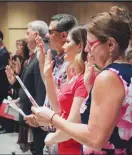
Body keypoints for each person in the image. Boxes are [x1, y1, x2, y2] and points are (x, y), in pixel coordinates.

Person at [26, 6, 132, 155]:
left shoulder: (108, 77)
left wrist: (52, 119)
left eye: (90, 44)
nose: (87, 50)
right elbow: (112, 121)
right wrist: (90, 88)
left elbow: (96, 138)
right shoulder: (130, 72)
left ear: (111, 45)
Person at [27, 26, 88, 154]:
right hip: (63, 144)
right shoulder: (73, 75)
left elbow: (72, 125)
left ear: (79, 46)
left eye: (68, 42)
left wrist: (51, 138)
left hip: (74, 147)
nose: (64, 47)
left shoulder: (83, 79)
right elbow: (58, 108)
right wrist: (48, 76)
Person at [36, 14, 78, 154]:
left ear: (64, 35)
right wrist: (42, 61)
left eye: (51, 32)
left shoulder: (72, 65)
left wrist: (50, 118)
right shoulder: (58, 59)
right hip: (53, 127)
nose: (47, 36)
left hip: (63, 133)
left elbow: (62, 102)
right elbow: (51, 89)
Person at [5, 20, 48, 155]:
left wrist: (39, 113)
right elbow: (28, 83)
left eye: (27, 33)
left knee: (40, 147)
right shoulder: (33, 55)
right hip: (30, 111)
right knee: (35, 147)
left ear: (35, 35)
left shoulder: (41, 55)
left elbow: (41, 87)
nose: (25, 36)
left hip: (37, 114)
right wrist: (15, 82)